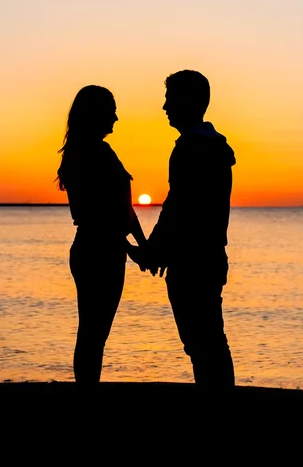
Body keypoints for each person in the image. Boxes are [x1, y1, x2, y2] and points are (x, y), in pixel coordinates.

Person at [135, 70, 236, 398]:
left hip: (194, 261)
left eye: (170, 99)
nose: (164, 106)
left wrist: (156, 250)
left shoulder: (192, 148)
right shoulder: (213, 147)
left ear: (188, 102)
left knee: (202, 342)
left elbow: (181, 208)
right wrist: (159, 249)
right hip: (208, 256)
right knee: (209, 340)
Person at [56, 85, 146, 388]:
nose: (117, 117)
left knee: (96, 332)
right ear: (96, 114)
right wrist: (132, 248)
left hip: (105, 249)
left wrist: (142, 244)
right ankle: (86, 393)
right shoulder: (85, 155)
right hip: (96, 250)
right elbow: (95, 214)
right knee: (93, 333)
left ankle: (88, 390)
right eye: (112, 110)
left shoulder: (100, 151)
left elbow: (123, 208)